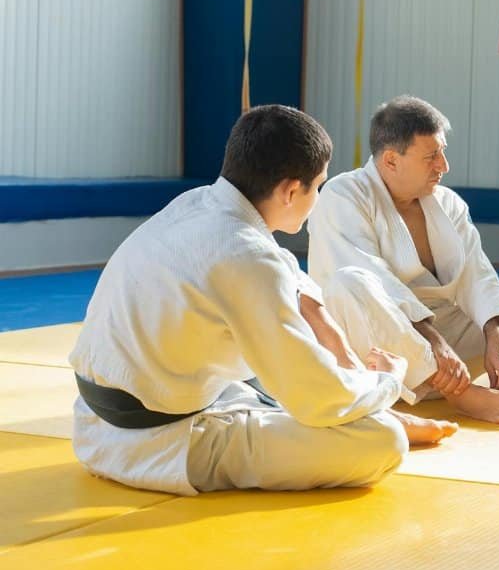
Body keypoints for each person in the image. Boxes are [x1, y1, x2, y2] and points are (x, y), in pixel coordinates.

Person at [70, 105, 456, 496]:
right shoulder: (247, 256)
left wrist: (325, 326)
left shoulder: (199, 203)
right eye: (317, 187)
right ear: (291, 190)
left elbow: (291, 278)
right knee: (382, 440)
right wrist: (385, 382)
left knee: (263, 376)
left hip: (100, 419)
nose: (318, 199)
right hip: (158, 442)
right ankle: (374, 413)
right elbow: (317, 397)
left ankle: (362, 407)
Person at [307, 96, 499, 425]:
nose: (443, 165)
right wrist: (434, 345)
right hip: (383, 350)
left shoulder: (447, 203)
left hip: (448, 343)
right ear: (391, 160)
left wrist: (497, 334)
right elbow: (370, 279)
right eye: (432, 156)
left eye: (442, 152)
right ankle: (463, 395)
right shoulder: (343, 195)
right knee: (351, 282)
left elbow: (477, 274)